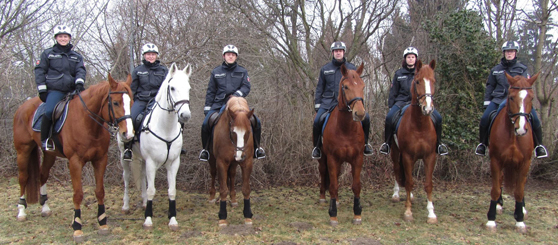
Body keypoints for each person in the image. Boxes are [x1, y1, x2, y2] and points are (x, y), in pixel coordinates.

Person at [475, 41, 548, 158]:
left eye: (512, 51)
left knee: (535, 120)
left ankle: (539, 146)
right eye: (507, 51)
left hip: (518, 101)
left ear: (515, 53)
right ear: (504, 53)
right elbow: (490, 86)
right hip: (498, 99)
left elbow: (525, 85)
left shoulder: (522, 69)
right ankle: (482, 145)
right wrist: (487, 103)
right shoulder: (496, 70)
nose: (509, 54)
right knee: (484, 118)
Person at [198, 44, 266, 161]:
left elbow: (246, 86)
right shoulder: (216, 72)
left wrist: (236, 95)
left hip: (237, 105)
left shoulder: (242, 71)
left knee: (257, 122)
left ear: (236, 57)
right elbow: (211, 91)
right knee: (205, 124)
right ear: (224, 56)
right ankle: (206, 150)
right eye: (228, 55)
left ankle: (256, 149)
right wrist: (207, 108)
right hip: (218, 104)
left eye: (233, 55)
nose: (230, 57)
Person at [379, 47, 448, 155]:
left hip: (419, 102)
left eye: (412, 57)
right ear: (405, 59)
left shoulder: (421, 73)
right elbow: (393, 91)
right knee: (389, 118)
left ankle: (439, 145)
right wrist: (391, 106)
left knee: (438, 118)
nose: (410, 59)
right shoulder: (399, 73)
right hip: (401, 101)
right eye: (408, 57)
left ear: (416, 59)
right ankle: (387, 144)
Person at [312, 41, 374, 159]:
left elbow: (357, 87)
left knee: (366, 119)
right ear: (332, 53)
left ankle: (365, 144)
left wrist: (359, 103)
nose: (338, 53)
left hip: (348, 103)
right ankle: (317, 147)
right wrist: (317, 104)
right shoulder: (325, 69)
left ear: (344, 52)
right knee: (317, 121)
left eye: (340, 51)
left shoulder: (352, 68)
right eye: (336, 51)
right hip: (328, 102)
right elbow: (320, 87)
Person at [35, 25, 86, 151]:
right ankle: (45, 140)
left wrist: (79, 83)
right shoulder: (48, 54)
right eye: (60, 36)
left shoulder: (76, 56)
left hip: (73, 90)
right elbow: (40, 71)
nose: (63, 39)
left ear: (69, 38)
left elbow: (81, 70)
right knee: (49, 111)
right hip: (55, 90)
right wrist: (42, 89)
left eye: (65, 36)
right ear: (56, 38)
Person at [122, 43, 169, 160]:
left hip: (157, 101)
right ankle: (128, 147)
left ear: (156, 56)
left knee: (176, 117)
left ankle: (175, 145)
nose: (151, 57)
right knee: (131, 119)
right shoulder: (138, 71)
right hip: (141, 101)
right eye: (148, 54)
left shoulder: (164, 70)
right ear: (144, 56)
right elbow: (132, 90)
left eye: (153, 54)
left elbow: (167, 89)